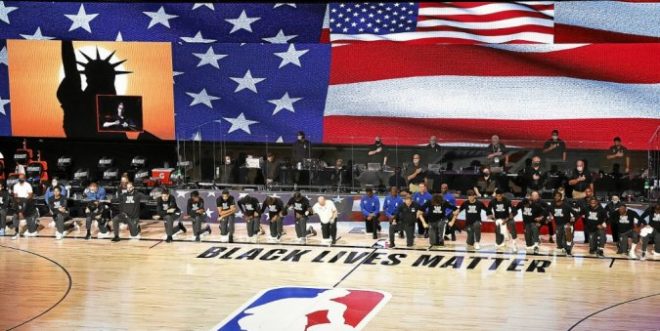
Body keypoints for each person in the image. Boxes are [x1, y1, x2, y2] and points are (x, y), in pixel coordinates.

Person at [548, 191, 578, 255]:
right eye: (555, 196)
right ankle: (565, 245)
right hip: (558, 225)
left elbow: (576, 214)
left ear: (561, 197)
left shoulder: (566, 205)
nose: (556, 197)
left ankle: (569, 248)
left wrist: (571, 220)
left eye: (558, 196)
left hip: (567, 224)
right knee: (559, 245)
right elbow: (546, 211)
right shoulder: (552, 205)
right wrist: (547, 216)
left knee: (567, 234)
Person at [12, 173, 37, 239]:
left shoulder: (28, 185)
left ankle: (31, 229)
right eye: (20, 178)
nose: (21, 179)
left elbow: (30, 195)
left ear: (25, 178)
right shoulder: (16, 186)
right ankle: (16, 232)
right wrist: (18, 201)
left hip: (27, 201)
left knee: (28, 215)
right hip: (18, 201)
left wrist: (24, 201)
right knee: (15, 216)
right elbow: (15, 195)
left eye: (22, 178)